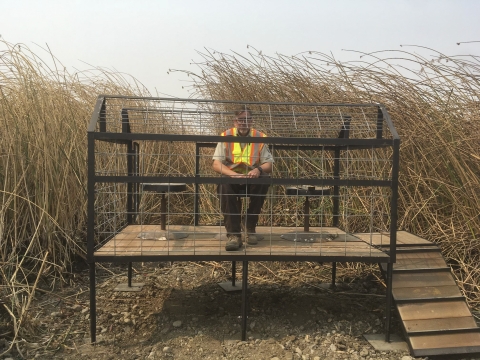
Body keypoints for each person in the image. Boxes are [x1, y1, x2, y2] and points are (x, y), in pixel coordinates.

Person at [212, 107, 274, 251]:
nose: (244, 122)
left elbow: (269, 164)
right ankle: (234, 235)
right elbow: (216, 164)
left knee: (264, 180)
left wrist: (258, 170)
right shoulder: (225, 136)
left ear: (252, 121)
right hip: (232, 176)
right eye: (240, 119)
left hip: (252, 176)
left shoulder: (260, 137)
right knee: (224, 186)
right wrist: (233, 175)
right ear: (235, 122)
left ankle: (249, 225)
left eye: (247, 119)